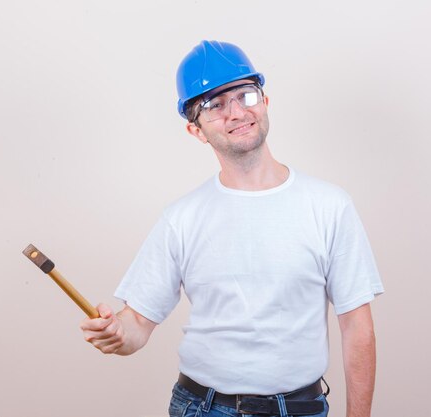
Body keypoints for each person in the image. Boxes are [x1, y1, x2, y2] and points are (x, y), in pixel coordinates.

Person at [80, 40, 384, 417]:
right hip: (202, 407)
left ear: (265, 102)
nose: (237, 112)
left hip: (300, 408)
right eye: (215, 105)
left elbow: (357, 326)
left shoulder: (329, 206)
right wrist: (117, 334)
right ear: (196, 131)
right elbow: (138, 324)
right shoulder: (182, 218)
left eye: (245, 95)